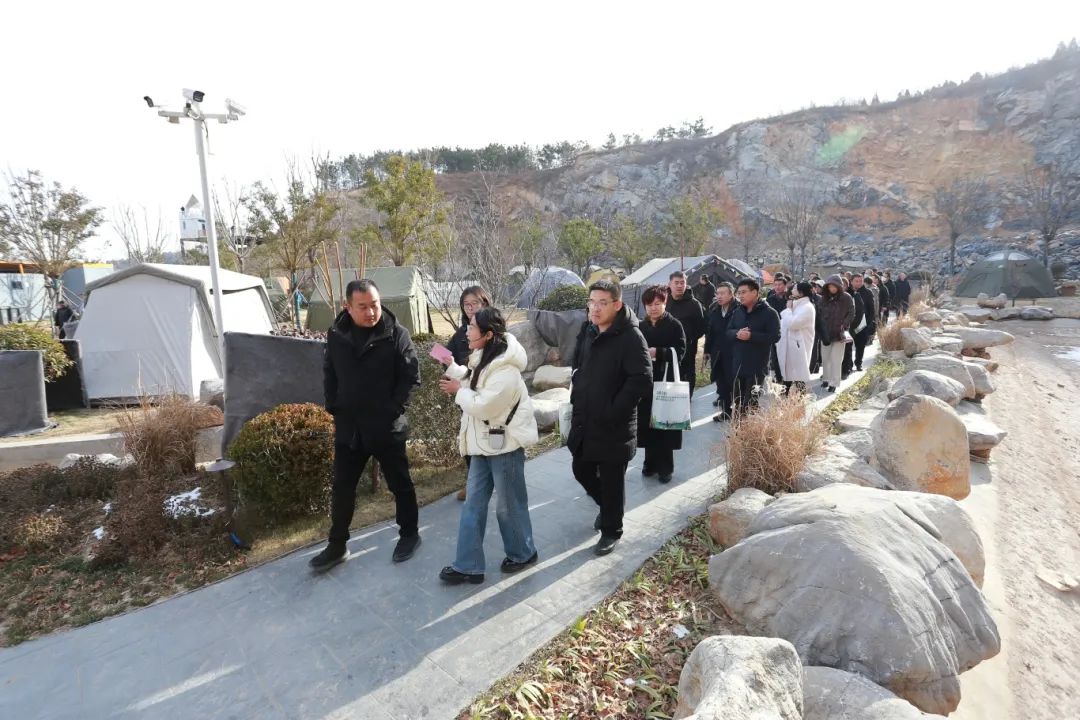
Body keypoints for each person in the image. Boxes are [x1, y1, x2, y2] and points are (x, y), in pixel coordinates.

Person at [311, 279, 422, 571]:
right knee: (343, 488)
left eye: (374, 304)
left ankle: (409, 534)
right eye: (363, 307)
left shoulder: (396, 334)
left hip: (386, 426)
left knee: (400, 484)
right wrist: (333, 405)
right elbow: (329, 371)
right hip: (350, 428)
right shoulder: (337, 335)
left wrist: (392, 410)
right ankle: (337, 545)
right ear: (347, 307)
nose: (371, 312)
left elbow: (410, 377)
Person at [436, 307, 539, 585]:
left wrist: (458, 392)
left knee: (509, 506)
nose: (467, 331)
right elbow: (475, 380)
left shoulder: (506, 369)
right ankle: (468, 566)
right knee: (473, 504)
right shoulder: (485, 355)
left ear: (489, 334)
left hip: (505, 446)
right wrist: (452, 366)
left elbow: (485, 405)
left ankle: (523, 553)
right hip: (482, 444)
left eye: (472, 327)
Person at [567, 280, 652, 556]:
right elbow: (578, 362)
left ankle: (611, 530)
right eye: (592, 302)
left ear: (617, 305)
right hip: (585, 417)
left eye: (602, 303)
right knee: (581, 469)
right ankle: (607, 509)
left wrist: (614, 410)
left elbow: (641, 379)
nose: (595, 308)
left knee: (612, 480)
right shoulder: (588, 329)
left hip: (615, 424)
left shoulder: (630, 336)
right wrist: (577, 387)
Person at [444, 285, 492, 502]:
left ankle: (489, 482)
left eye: (475, 303)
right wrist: (447, 365)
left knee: (491, 440)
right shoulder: (460, 334)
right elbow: (448, 357)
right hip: (465, 395)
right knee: (469, 440)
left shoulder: (495, 331)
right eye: (466, 305)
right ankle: (474, 485)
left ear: (484, 304)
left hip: (487, 396)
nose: (471, 308)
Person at [637, 285, 687, 484]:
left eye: (658, 303)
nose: (653, 308)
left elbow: (681, 351)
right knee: (648, 423)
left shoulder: (674, 325)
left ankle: (666, 468)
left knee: (664, 424)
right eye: (649, 304)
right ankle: (649, 463)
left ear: (665, 303)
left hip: (666, 381)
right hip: (646, 381)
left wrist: (658, 352)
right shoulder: (641, 326)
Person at [726, 279, 781, 414]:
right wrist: (737, 333)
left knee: (751, 403)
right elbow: (728, 331)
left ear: (755, 292)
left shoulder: (770, 313)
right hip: (738, 364)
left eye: (743, 292)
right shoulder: (738, 311)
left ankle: (749, 426)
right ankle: (738, 426)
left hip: (757, 366)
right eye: (739, 293)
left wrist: (752, 336)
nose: (740, 296)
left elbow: (775, 336)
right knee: (737, 402)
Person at [665, 271, 707, 400]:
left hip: (687, 348)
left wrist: (688, 338)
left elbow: (701, 327)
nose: (679, 286)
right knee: (668, 375)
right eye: (676, 283)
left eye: (682, 283)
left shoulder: (694, 304)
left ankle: (685, 402)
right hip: (666, 348)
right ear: (669, 284)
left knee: (687, 375)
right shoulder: (664, 302)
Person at [704, 282, 737, 421]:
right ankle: (726, 411)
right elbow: (710, 332)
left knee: (734, 383)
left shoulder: (739, 310)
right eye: (718, 293)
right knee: (721, 383)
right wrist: (707, 350)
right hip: (718, 353)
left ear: (731, 294)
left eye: (723, 293)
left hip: (734, 353)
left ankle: (739, 412)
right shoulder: (714, 310)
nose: (719, 296)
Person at [816, 275, 855, 393]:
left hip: (839, 333)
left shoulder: (846, 297)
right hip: (825, 333)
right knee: (825, 358)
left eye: (834, 286)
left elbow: (852, 312)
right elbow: (818, 314)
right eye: (830, 286)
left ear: (839, 286)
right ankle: (826, 379)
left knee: (836, 359)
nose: (832, 288)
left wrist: (845, 324)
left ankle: (834, 383)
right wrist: (820, 329)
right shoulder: (823, 298)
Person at [778, 281, 816, 395]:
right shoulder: (797, 304)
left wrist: (788, 310)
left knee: (799, 374)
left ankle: (799, 399)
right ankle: (786, 395)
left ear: (801, 292)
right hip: (790, 344)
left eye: (795, 288)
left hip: (799, 345)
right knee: (789, 373)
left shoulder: (807, 307)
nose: (792, 290)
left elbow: (793, 324)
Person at [765, 275, 789, 386]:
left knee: (787, 355)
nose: (777, 287)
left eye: (780, 284)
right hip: (774, 330)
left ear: (785, 285)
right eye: (775, 285)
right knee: (775, 355)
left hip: (788, 330)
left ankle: (787, 378)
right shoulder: (770, 299)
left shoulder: (790, 298)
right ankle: (779, 377)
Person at [851, 275, 877, 372]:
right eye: (856, 281)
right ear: (852, 281)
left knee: (860, 346)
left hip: (863, 324)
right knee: (848, 347)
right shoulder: (848, 292)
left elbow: (871, 310)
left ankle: (858, 363)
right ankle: (848, 365)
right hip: (849, 324)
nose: (859, 283)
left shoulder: (867, 292)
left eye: (860, 281)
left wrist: (867, 323)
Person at [841, 276, 863, 379]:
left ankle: (846, 369)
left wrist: (851, 327)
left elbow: (858, 313)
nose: (841, 286)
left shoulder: (854, 295)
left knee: (847, 349)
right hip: (834, 328)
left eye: (843, 284)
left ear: (847, 285)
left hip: (849, 327)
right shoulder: (831, 297)